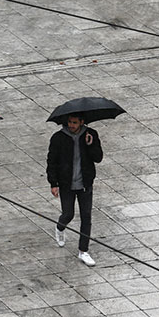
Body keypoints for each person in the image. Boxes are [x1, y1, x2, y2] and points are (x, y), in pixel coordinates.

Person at [47, 114, 103, 267]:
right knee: (68, 214)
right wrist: (53, 183)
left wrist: (90, 145)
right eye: (69, 122)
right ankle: (60, 227)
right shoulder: (58, 138)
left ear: (82, 122)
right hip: (67, 184)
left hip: (85, 183)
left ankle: (83, 251)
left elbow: (98, 158)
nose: (71, 125)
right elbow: (51, 161)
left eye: (74, 122)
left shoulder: (90, 135)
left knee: (86, 217)